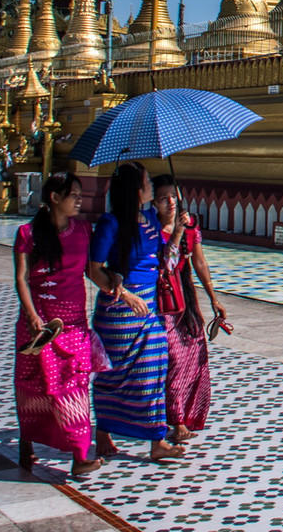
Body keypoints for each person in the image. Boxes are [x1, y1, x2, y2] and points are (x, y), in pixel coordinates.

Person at [87, 162, 186, 461]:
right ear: (135, 188)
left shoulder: (148, 221)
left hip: (149, 306)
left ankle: (157, 440)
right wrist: (125, 294)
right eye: (146, 182)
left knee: (154, 369)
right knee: (113, 373)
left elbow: (165, 262)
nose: (150, 187)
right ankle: (103, 428)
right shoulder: (111, 223)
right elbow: (93, 270)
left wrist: (177, 231)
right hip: (119, 307)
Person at [13, 171, 101, 478]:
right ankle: (27, 441)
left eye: (80, 195)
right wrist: (33, 315)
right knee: (35, 387)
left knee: (74, 386)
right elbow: (22, 279)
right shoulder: (28, 233)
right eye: (74, 195)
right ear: (54, 198)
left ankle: (80, 455)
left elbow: (92, 271)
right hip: (39, 326)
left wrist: (118, 287)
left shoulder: (83, 230)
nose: (79, 200)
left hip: (74, 324)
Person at [152, 173, 225, 441]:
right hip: (163, 301)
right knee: (174, 358)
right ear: (154, 202)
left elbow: (199, 262)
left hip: (187, 299)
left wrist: (213, 298)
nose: (170, 202)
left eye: (174, 196)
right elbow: (164, 264)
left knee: (195, 356)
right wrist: (178, 230)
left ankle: (190, 414)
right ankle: (175, 420)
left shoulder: (190, 226)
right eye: (163, 198)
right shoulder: (150, 229)